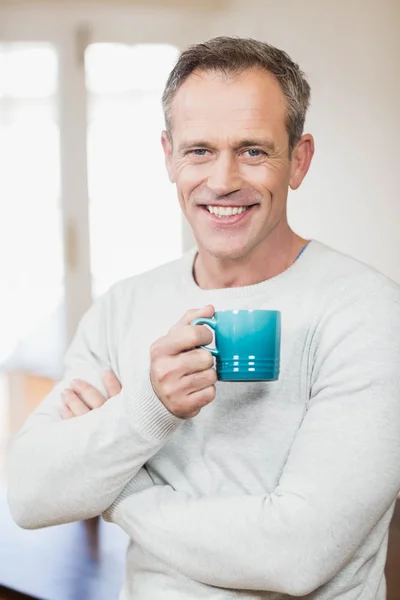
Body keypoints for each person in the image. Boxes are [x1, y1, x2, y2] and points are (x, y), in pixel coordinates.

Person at [7, 36, 400, 599]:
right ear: (168, 155)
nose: (222, 180)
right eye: (199, 150)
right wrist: (147, 411)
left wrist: (116, 489)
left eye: (253, 150)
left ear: (300, 159)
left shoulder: (370, 313)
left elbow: (294, 556)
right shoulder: (124, 306)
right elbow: (28, 493)